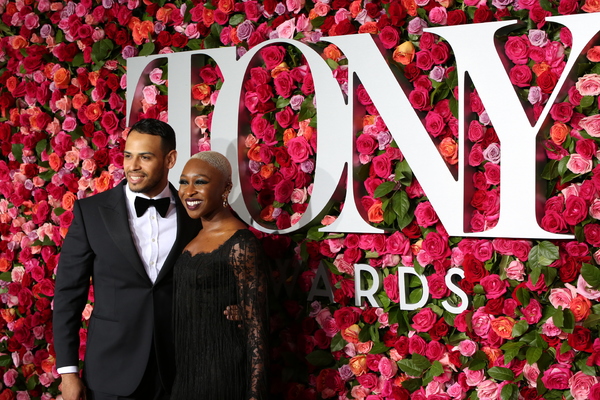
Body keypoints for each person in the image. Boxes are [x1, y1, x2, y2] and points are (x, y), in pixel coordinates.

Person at [53, 118, 201, 400]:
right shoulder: (91, 213)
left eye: (145, 157)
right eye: (128, 155)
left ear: (170, 159)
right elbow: (68, 296)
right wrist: (68, 373)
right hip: (111, 370)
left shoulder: (194, 214)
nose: (133, 166)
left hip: (178, 371)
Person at [172, 151, 269, 399]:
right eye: (183, 181)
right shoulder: (192, 236)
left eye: (200, 182)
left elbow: (257, 330)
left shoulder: (241, 242)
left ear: (226, 188)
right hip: (187, 374)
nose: (188, 191)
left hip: (222, 375)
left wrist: (254, 395)